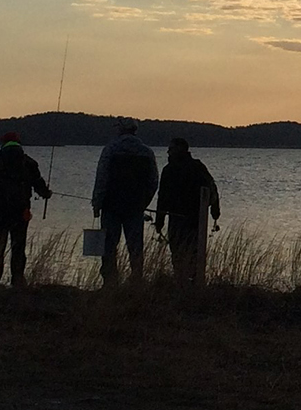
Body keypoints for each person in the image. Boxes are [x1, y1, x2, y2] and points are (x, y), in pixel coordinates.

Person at [0, 131, 51, 287]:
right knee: (18, 246)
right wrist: (47, 193)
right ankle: (18, 280)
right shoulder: (29, 163)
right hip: (21, 212)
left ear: (4, 144)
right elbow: (39, 185)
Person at [91, 118, 158, 284]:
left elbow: (102, 178)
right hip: (135, 206)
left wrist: (97, 202)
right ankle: (136, 280)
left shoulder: (110, 149)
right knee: (135, 246)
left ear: (121, 130)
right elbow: (153, 182)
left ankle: (110, 282)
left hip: (111, 205)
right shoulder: (146, 152)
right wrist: (144, 202)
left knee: (109, 245)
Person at [154, 137, 220, 286]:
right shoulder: (198, 167)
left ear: (180, 149)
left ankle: (182, 282)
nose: (168, 152)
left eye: (171, 149)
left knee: (178, 253)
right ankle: (193, 283)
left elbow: (162, 198)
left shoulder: (169, 170)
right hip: (196, 219)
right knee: (194, 252)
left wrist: (159, 221)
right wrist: (215, 212)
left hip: (180, 219)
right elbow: (212, 189)